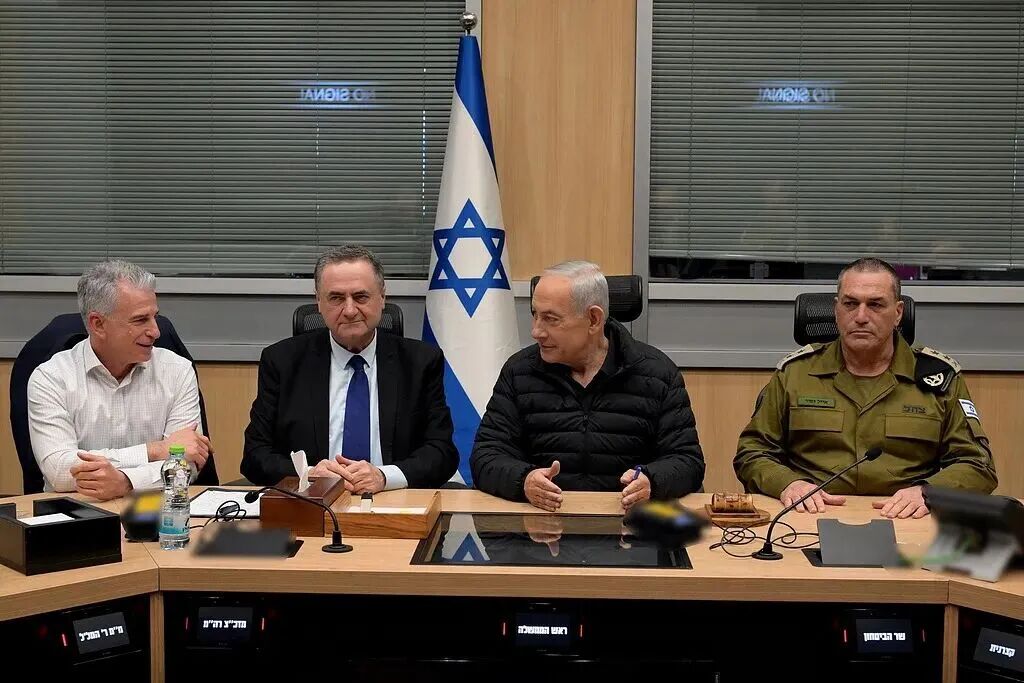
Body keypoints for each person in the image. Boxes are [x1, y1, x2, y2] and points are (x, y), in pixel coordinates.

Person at [735, 257, 998, 519]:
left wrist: (929, 492)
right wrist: (788, 484)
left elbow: (978, 465)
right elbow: (753, 452)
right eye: (850, 304)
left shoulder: (938, 379)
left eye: (875, 305)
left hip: (905, 518)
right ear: (836, 310)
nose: (861, 317)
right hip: (811, 515)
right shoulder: (796, 374)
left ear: (898, 313)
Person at [470, 260, 705, 511]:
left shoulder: (656, 373)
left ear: (593, 319)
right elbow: (486, 456)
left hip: (630, 525)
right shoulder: (519, 372)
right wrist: (524, 481)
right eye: (535, 315)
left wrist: (652, 481)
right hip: (540, 523)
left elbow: (687, 461)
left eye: (550, 319)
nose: (536, 331)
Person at [242, 245, 459, 492]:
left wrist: (384, 476)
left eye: (360, 297)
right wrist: (308, 474)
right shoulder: (282, 362)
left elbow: (442, 453)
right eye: (336, 298)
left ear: (382, 297)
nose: (349, 310)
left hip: (393, 502)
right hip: (312, 502)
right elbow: (255, 456)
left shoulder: (420, 362)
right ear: (318, 302)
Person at [27, 260, 211, 500]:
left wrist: (126, 482)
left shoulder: (177, 370)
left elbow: (187, 465)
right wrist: (156, 451)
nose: (155, 331)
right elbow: (60, 471)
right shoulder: (51, 378)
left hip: (155, 510)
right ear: (98, 324)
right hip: (79, 511)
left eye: (155, 317)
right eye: (140, 320)